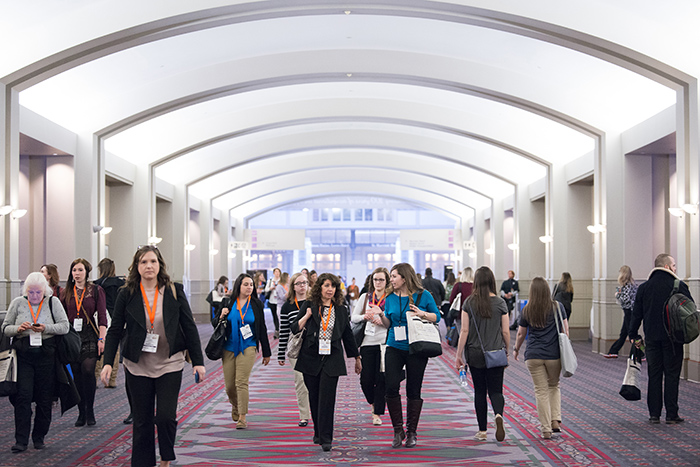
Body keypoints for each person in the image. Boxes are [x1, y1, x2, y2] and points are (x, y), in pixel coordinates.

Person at [100, 245, 205, 467]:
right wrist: (108, 362)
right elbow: (115, 329)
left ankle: (166, 456)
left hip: (169, 363)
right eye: (144, 262)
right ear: (136, 267)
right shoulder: (126, 293)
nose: (149, 266)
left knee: (166, 417)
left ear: (160, 265)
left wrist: (198, 362)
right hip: (137, 365)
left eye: (153, 262)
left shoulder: (174, 291)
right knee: (142, 421)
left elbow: (189, 327)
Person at [291, 273, 361, 452]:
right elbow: (294, 328)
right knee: (314, 398)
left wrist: (356, 358)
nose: (330, 289)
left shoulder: (341, 309)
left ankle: (326, 437)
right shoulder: (309, 305)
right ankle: (318, 431)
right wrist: (306, 316)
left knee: (327, 400)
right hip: (310, 358)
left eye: (333, 286)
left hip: (332, 359)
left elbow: (347, 335)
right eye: (326, 286)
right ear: (319, 288)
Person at [2, 272, 69, 453]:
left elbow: (65, 326)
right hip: (24, 355)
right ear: (25, 291)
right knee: (23, 396)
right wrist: (19, 328)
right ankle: (21, 440)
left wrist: (45, 327)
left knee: (44, 399)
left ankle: (39, 437)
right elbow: (5, 328)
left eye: (38, 293)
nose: (34, 297)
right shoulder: (18, 303)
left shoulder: (52, 302)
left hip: (46, 355)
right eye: (30, 293)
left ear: (45, 291)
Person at [379, 263, 441, 449]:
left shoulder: (423, 295)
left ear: (404, 278)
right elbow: (388, 323)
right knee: (390, 387)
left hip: (416, 347)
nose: (391, 280)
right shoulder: (389, 297)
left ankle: (412, 432)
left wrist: (422, 313)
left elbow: (436, 317)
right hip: (394, 346)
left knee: (414, 389)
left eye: (394, 276)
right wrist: (380, 315)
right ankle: (398, 430)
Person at [628, 253, 693, 425]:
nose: (675, 268)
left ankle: (654, 414)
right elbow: (690, 312)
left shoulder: (644, 288)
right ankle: (671, 414)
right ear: (666, 267)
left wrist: (633, 334)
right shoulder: (679, 286)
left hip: (652, 339)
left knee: (654, 374)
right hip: (673, 339)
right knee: (672, 375)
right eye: (673, 265)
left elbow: (636, 315)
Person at [455, 266, 510, 442]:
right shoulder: (501, 303)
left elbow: (464, 330)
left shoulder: (469, 302)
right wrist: (506, 349)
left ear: (476, 282)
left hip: (475, 353)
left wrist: (458, 355)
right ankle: (499, 415)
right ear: (492, 281)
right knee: (496, 390)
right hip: (495, 353)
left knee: (479, 391)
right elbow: (506, 331)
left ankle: (482, 431)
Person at [513, 277, 569, 439]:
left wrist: (516, 349)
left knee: (541, 391)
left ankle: (546, 429)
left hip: (533, 355)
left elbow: (521, 333)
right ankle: (555, 421)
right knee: (554, 385)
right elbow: (566, 331)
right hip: (554, 355)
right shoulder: (558, 307)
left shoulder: (527, 310)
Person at [215, 273, 271, 429]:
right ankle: (236, 405)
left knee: (241, 382)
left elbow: (262, 328)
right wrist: (221, 316)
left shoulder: (256, 304)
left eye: (251, 285)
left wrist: (267, 352)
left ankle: (242, 417)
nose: (249, 287)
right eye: (246, 284)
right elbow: (216, 324)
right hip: (229, 347)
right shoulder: (228, 302)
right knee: (229, 386)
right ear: (239, 285)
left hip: (248, 346)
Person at [61, 258, 108, 427]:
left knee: (88, 370)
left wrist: (102, 338)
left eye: (80, 270)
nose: (77, 273)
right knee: (76, 374)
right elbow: (61, 317)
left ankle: (90, 410)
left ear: (87, 272)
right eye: (74, 270)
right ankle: (81, 411)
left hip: (90, 335)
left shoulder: (96, 290)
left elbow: (102, 317)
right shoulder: (65, 292)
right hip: (71, 336)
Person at [351, 267, 391, 426]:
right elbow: (353, 317)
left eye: (381, 279)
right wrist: (364, 317)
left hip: (384, 343)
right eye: (375, 279)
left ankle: (377, 413)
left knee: (381, 379)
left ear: (386, 281)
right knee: (366, 381)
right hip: (367, 342)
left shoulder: (391, 298)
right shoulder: (366, 297)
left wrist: (382, 320)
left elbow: (395, 320)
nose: (378, 282)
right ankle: (374, 404)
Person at [277, 272, 311, 427]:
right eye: (298, 283)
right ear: (293, 287)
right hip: (296, 348)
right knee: (300, 381)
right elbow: (284, 331)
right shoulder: (287, 306)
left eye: (304, 282)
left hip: (314, 347)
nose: (302, 286)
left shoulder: (314, 302)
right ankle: (304, 415)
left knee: (313, 381)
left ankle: (316, 410)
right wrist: (280, 353)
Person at [94, 258, 126, 388]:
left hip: (102, 317)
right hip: (117, 317)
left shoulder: (97, 284)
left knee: (100, 347)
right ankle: (112, 379)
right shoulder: (120, 283)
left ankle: (96, 377)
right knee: (115, 348)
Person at [605, 266, 638, 358]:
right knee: (624, 333)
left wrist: (617, 295)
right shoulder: (631, 284)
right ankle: (613, 351)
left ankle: (641, 353)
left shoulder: (628, 285)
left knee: (632, 334)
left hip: (629, 311)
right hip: (629, 311)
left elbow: (626, 299)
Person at [265, 268, 282, 338]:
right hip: (272, 300)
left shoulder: (281, 281)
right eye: (276, 272)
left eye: (278, 272)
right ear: (273, 273)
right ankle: (277, 330)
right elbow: (265, 289)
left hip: (279, 301)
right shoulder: (270, 281)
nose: (277, 273)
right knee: (274, 316)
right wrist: (270, 288)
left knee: (279, 316)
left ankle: (280, 330)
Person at [273, 272, 289, 339]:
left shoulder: (287, 286)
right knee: (282, 324)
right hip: (281, 307)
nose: (289, 278)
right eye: (288, 277)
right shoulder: (279, 287)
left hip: (286, 307)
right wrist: (289, 293)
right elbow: (282, 297)